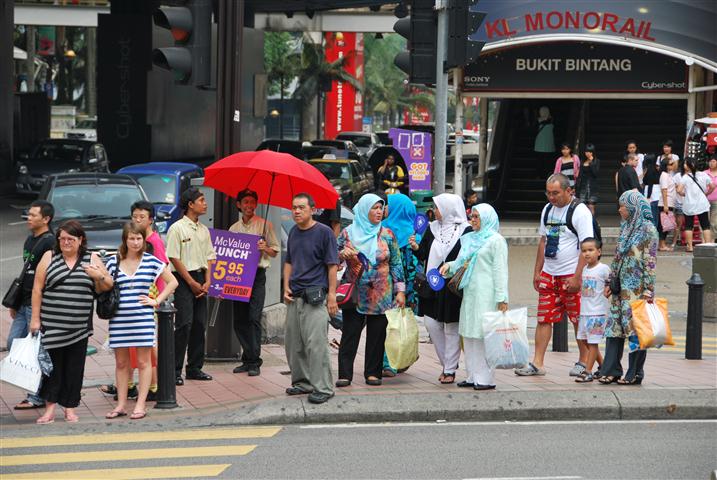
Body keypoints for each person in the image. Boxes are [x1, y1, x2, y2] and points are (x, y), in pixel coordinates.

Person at [30, 221, 113, 424]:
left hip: (78, 327)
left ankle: (69, 409)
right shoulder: (50, 257)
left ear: (80, 240)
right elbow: (37, 289)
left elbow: (108, 284)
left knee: (74, 369)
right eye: (62, 238)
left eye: (71, 239)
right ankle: (49, 409)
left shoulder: (91, 258)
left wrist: (98, 275)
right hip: (52, 324)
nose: (66, 242)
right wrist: (35, 318)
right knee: (51, 368)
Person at [515, 173, 594, 377]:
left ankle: (584, 361)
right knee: (544, 318)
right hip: (549, 274)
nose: (551, 197)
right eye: (548, 193)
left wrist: (577, 277)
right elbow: (543, 241)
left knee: (578, 319)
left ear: (569, 191)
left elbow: (587, 247)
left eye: (556, 193)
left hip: (571, 275)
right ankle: (538, 363)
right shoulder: (547, 210)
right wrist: (537, 271)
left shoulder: (580, 212)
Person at [105, 223, 178, 420]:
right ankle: (121, 405)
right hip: (118, 318)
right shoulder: (113, 262)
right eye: (131, 238)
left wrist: (156, 300)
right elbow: (104, 285)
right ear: (125, 240)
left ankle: (140, 405)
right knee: (121, 363)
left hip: (142, 318)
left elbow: (173, 282)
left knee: (145, 362)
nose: (135, 242)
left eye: (139, 238)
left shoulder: (151, 261)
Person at [100, 200, 171, 401]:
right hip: (126, 312)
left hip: (147, 304)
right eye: (135, 216)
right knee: (129, 354)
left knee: (147, 353)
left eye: (142, 217)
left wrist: (156, 300)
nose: (138, 220)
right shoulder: (119, 257)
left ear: (150, 220)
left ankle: (154, 386)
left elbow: (163, 274)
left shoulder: (154, 243)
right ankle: (130, 386)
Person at [336, 193, 406, 387]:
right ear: (364, 209)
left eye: (380, 208)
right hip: (356, 293)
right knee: (350, 332)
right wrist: (342, 254)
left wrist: (400, 291)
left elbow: (396, 264)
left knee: (377, 334)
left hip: (381, 293)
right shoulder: (348, 233)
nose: (378, 211)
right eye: (374, 208)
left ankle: (373, 373)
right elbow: (333, 258)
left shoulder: (387, 234)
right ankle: (344, 374)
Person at [440, 204, 508, 390]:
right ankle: (472, 375)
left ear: (487, 218)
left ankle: (485, 378)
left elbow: (500, 270)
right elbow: (463, 263)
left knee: (482, 335)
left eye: (477, 216)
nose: (473, 220)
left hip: (487, 294)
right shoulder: (471, 239)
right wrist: (450, 266)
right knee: (469, 333)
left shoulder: (496, 241)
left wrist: (502, 298)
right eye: (472, 216)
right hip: (470, 292)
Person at [283, 193, 339, 404]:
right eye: (294, 207)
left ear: (312, 209)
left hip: (316, 297)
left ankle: (323, 388)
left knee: (316, 345)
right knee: (293, 344)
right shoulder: (294, 233)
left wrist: (332, 296)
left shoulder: (324, 233)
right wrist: (285, 286)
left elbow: (332, 265)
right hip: (294, 296)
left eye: (301, 207)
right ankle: (302, 382)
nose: (296, 211)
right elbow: (289, 261)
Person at [411, 193, 471, 384]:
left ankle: (449, 369)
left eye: (437, 207)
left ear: (448, 209)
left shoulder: (466, 231)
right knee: (431, 324)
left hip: (453, 286)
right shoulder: (432, 229)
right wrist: (415, 246)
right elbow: (423, 253)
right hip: (433, 283)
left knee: (452, 327)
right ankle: (448, 363)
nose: (433, 211)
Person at [599, 191, 658, 385]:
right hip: (619, 290)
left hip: (637, 291)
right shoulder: (626, 228)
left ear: (633, 208)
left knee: (635, 331)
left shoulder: (649, 230)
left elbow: (650, 262)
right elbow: (617, 258)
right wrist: (610, 282)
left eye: (623, 206)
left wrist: (649, 291)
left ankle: (634, 373)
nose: (620, 209)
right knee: (614, 329)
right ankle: (611, 370)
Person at [8, 200, 55, 411]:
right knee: (13, 344)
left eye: (34, 215)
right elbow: (26, 273)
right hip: (23, 303)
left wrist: (37, 312)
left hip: (37, 305)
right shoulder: (29, 240)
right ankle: (41, 390)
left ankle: (36, 395)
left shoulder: (50, 242)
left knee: (35, 352)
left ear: (46, 219)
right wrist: (15, 303)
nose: (29, 217)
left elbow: (45, 278)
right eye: (29, 214)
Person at [166, 187, 217, 385]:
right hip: (183, 279)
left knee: (199, 325)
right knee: (184, 324)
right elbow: (174, 257)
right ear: (190, 204)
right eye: (202, 200)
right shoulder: (177, 228)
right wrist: (191, 282)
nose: (205, 204)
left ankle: (195, 368)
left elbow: (210, 257)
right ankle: (175, 370)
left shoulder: (204, 230)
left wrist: (208, 281)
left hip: (201, 279)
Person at [229, 189, 280, 376]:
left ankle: (255, 361)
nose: (249, 206)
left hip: (257, 275)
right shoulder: (233, 229)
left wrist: (264, 247)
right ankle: (247, 358)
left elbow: (275, 252)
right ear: (239, 205)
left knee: (253, 317)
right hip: (239, 276)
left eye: (252, 202)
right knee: (239, 320)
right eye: (246, 202)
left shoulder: (266, 225)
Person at [382, 193, 420, 376]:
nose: (385, 209)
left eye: (388, 205)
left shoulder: (384, 231)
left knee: (390, 323)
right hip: (406, 289)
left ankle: (389, 361)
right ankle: (394, 359)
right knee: (397, 323)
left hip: (389, 286)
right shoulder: (415, 236)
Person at [574, 238, 610, 383]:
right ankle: (603, 366)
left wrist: (609, 289)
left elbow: (611, 281)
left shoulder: (603, 268)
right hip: (585, 312)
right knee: (584, 339)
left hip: (597, 313)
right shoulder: (584, 269)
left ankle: (588, 371)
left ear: (599, 252)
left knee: (593, 342)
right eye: (584, 251)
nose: (587, 253)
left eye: (590, 250)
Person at [676, 158, 715, 251]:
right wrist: (706, 193)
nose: (684, 165)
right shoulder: (703, 175)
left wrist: (684, 194)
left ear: (689, 165)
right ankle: (708, 245)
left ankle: (690, 247)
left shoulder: (685, 177)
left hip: (689, 204)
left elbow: (678, 190)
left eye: (685, 164)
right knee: (705, 225)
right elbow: (713, 186)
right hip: (702, 203)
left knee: (689, 226)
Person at [657, 155, 679, 251]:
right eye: (671, 164)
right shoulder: (664, 175)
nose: (673, 165)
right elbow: (664, 190)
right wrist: (665, 204)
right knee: (664, 225)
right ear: (666, 165)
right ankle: (662, 245)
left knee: (666, 224)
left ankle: (662, 244)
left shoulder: (668, 175)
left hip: (669, 202)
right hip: (665, 203)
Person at [575, 143, 600, 215]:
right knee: (582, 206)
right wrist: (576, 186)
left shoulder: (596, 161)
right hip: (583, 186)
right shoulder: (582, 161)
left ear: (593, 152)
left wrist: (591, 162)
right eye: (586, 151)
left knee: (591, 206)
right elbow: (580, 175)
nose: (588, 153)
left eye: (590, 152)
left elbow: (595, 173)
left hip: (592, 187)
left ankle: (592, 223)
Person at [534, 106, 556, 179]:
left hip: (539, 145)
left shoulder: (537, 121)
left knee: (539, 161)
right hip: (549, 144)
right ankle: (548, 175)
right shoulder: (552, 120)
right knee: (548, 162)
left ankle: (538, 175)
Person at [642, 154, 661, 230]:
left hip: (652, 195)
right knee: (655, 215)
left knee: (652, 215)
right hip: (656, 194)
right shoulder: (655, 169)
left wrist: (648, 197)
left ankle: (653, 234)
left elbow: (650, 184)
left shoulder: (649, 170)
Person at [705, 153, 717, 239]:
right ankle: (706, 241)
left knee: (714, 223)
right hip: (705, 201)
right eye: (710, 161)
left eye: (713, 161)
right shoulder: (704, 173)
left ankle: (712, 241)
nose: (711, 163)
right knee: (706, 222)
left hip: (716, 201)